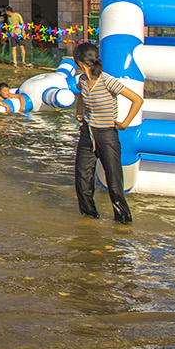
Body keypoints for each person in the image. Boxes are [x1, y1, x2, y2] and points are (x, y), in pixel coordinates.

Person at [73, 41, 143, 224]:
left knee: (114, 184)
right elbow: (81, 95)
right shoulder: (81, 81)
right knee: (82, 180)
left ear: (80, 61)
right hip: (87, 133)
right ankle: (89, 221)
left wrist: (125, 123)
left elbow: (137, 100)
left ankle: (123, 223)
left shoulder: (107, 80)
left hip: (107, 135)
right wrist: (79, 112)